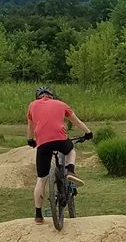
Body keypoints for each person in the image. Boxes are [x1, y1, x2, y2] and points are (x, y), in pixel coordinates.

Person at [26, 87, 92, 224]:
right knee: (70, 150)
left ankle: (38, 215)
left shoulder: (32, 105)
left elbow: (31, 127)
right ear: (51, 96)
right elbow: (77, 122)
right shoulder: (61, 104)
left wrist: (30, 140)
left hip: (43, 144)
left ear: (38, 96)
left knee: (40, 180)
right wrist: (88, 132)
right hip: (60, 140)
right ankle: (70, 170)